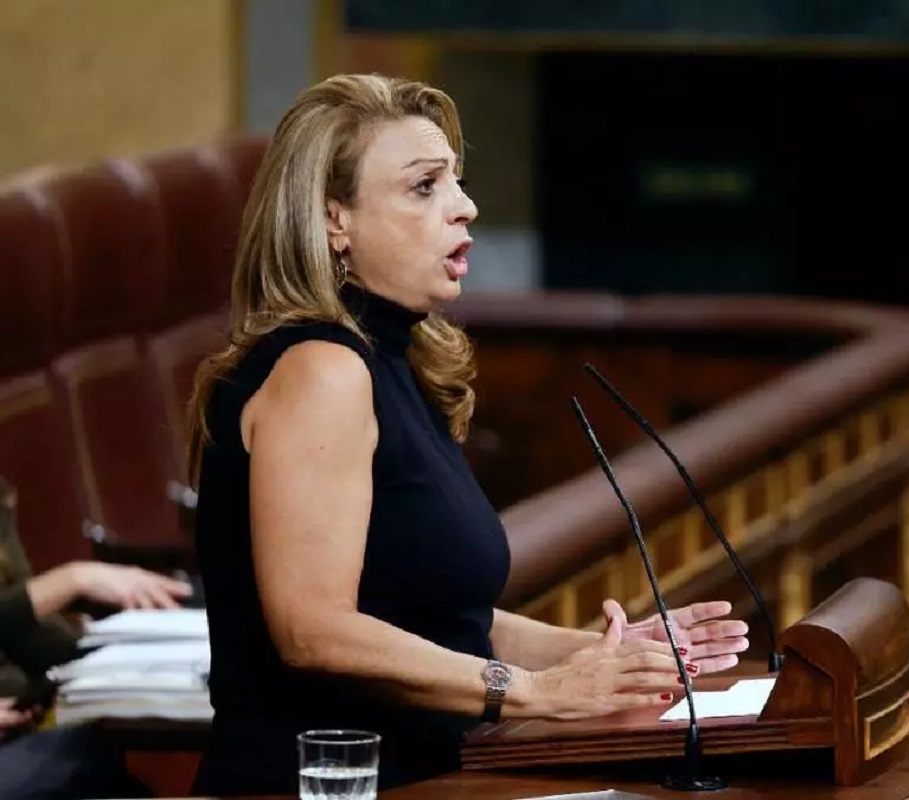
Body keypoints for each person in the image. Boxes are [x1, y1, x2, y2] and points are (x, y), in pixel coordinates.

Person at [185, 73, 750, 796]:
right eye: (425, 186)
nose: (464, 206)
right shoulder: (321, 370)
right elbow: (312, 631)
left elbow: (441, 618)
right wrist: (535, 693)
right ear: (335, 221)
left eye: (456, 180)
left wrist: (604, 657)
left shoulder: (397, 363)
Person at [0, 474, 193, 798]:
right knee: (88, 758)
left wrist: (117, 653)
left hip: (26, 723)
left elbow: (21, 634)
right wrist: (73, 580)